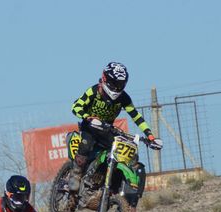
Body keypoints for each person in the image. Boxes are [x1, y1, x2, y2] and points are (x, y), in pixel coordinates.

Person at [68, 62, 162, 191]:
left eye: (120, 84)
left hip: (107, 130)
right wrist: (88, 117)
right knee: (86, 144)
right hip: (89, 127)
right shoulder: (94, 91)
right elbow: (76, 106)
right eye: (114, 83)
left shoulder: (124, 98)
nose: (117, 87)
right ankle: (76, 173)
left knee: (122, 152)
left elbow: (136, 116)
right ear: (105, 78)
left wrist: (150, 136)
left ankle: (109, 182)